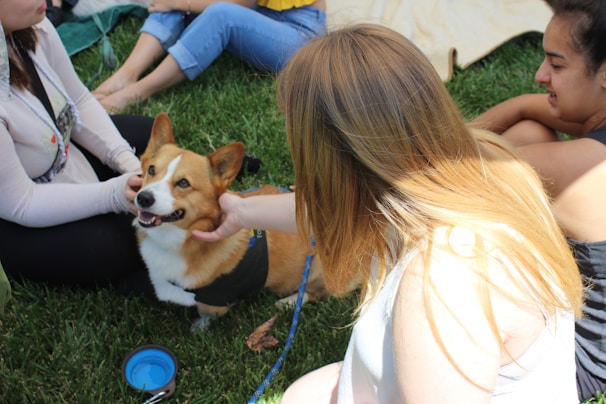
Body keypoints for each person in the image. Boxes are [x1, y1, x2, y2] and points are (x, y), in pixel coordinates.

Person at [195, 24, 584, 403]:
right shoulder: (467, 167)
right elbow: (337, 212)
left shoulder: (446, 279)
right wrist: (240, 210)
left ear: (335, 159)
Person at [472, 0, 606, 400]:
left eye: (557, 65)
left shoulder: (576, 166)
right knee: (529, 129)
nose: (540, 75)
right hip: (569, 311)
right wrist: (526, 105)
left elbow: (441, 167)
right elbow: (529, 107)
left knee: (457, 228)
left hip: (577, 365)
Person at [0, 0, 156, 297]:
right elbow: (23, 203)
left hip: (58, 155)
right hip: (13, 217)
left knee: (147, 137)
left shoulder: (34, 26)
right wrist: (112, 193)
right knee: (112, 245)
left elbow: (79, 101)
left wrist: (126, 162)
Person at [92, 0, 327, 113]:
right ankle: (125, 75)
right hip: (259, 14)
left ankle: (138, 91)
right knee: (179, 3)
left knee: (220, 15)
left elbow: (240, 2)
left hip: (300, 35)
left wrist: (182, 3)